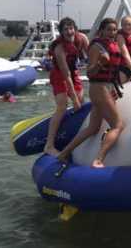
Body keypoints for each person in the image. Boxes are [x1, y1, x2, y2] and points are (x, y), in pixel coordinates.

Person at [58, 18, 131, 168]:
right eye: (109, 30)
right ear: (102, 31)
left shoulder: (113, 45)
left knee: (93, 128)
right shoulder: (97, 47)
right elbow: (90, 73)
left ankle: (64, 153)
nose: (112, 33)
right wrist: (100, 62)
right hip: (99, 88)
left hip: (107, 88)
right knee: (118, 125)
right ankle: (98, 160)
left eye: (114, 30)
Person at [44, 17, 89, 156]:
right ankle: (49, 145)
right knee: (62, 105)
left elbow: (91, 56)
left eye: (71, 28)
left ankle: (77, 135)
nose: (69, 32)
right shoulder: (59, 48)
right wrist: (73, 99)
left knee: (81, 102)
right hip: (59, 74)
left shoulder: (82, 39)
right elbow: (65, 75)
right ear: (61, 32)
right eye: (65, 30)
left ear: (75, 29)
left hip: (73, 71)